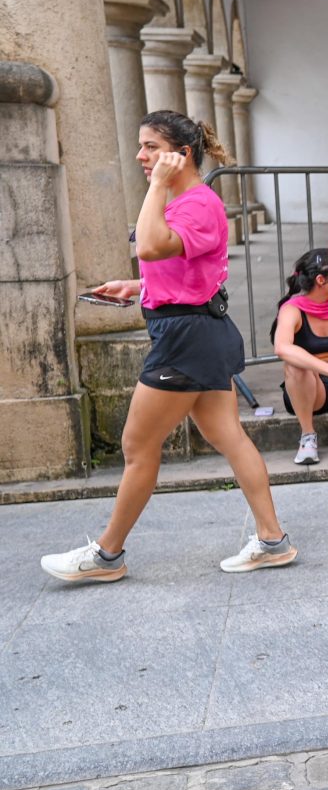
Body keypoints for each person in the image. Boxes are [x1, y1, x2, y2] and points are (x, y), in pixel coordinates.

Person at [39, 110, 296, 581]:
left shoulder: (194, 202)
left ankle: (107, 556)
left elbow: (152, 247)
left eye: (151, 147)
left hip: (186, 339)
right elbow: (180, 268)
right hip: (193, 331)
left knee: (138, 446)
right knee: (228, 436)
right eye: (141, 147)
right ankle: (272, 540)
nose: (141, 156)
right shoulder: (186, 202)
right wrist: (136, 287)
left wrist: (157, 185)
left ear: (181, 153)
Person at [271, 248, 328, 465]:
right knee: (294, 365)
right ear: (321, 280)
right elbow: (282, 348)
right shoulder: (293, 309)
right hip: (312, 389)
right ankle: (308, 437)